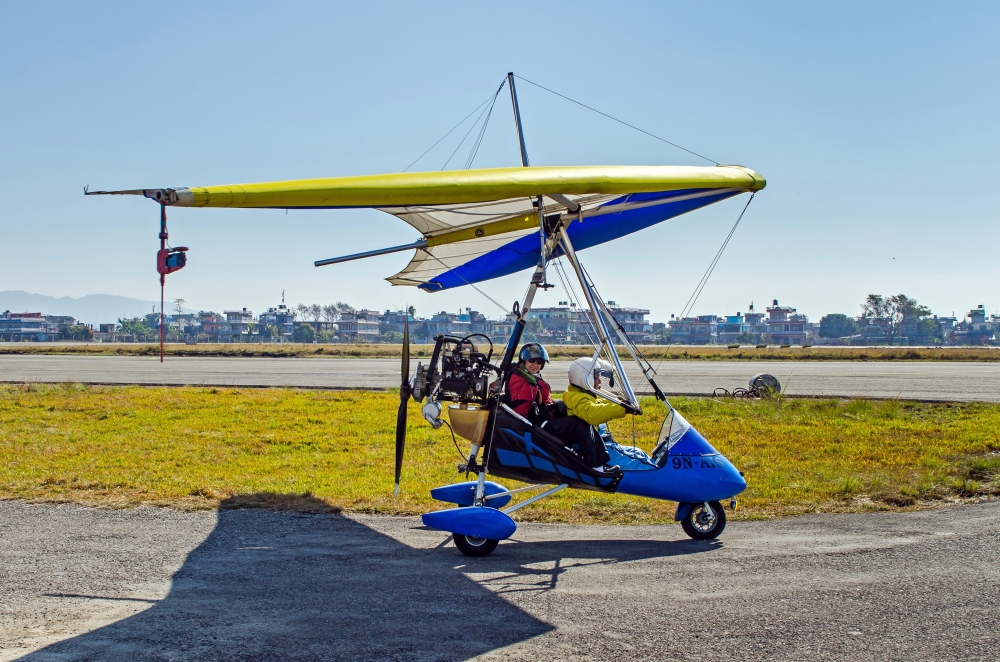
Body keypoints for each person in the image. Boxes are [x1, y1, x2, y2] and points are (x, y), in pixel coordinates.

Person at [541, 357, 629, 472]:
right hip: (587, 451)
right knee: (635, 461)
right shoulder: (574, 397)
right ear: (584, 378)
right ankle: (597, 468)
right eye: (597, 377)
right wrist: (623, 409)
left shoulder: (580, 395)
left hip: (598, 446)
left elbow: (598, 403)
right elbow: (592, 413)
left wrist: (620, 403)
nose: (600, 382)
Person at [506, 343, 554, 423]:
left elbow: (546, 401)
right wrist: (530, 385)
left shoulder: (530, 376)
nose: (535, 364)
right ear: (524, 361)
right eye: (531, 360)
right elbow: (520, 410)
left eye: (539, 362)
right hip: (534, 423)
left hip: (545, 416)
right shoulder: (519, 377)